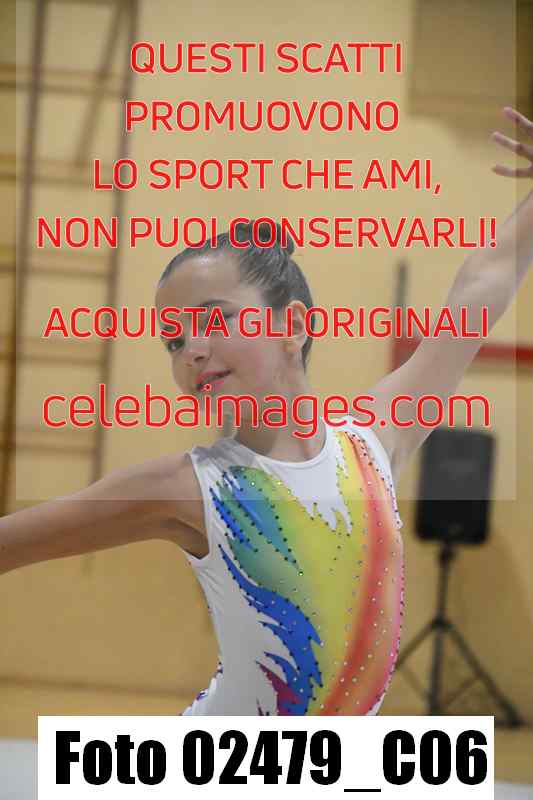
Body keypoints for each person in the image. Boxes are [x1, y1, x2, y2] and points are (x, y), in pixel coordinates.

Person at [1, 106, 532, 716]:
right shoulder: (189, 486)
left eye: (214, 319)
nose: (192, 349)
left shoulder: (377, 439)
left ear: (292, 326)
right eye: (174, 341)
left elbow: (482, 282)